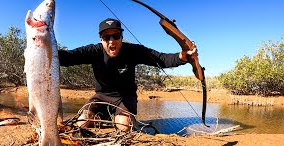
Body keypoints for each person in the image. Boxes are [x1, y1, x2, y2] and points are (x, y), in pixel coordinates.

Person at [58, 18, 197, 132]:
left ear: (122, 37)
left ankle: (124, 118)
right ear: (101, 40)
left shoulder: (133, 51)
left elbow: (161, 58)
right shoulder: (93, 51)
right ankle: (102, 116)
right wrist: (40, 45)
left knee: (123, 125)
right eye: (107, 37)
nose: (111, 41)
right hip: (101, 96)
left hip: (125, 97)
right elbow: (67, 58)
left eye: (116, 36)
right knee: (82, 122)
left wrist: (183, 56)